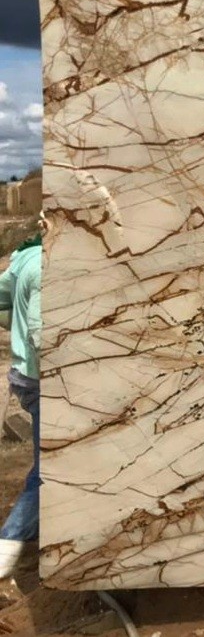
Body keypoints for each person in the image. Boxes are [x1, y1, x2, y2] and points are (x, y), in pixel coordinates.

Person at [0, 219, 42, 578]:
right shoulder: (47, 267)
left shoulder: (26, 256)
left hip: (22, 374)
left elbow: (1, 301)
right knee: (51, 469)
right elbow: (42, 335)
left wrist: (15, 321)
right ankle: (9, 545)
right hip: (43, 378)